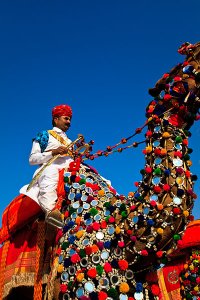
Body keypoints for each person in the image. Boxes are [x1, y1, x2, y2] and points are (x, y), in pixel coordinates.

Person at [20, 104, 74, 226]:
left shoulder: (70, 142)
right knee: (50, 173)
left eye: (70, 119)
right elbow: (32, 159)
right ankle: (51, 215)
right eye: (66, 118)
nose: (69, 122)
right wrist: (53, 152)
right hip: (50, 169)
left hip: (70, 170)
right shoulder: (45, 135)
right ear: (56, 119)